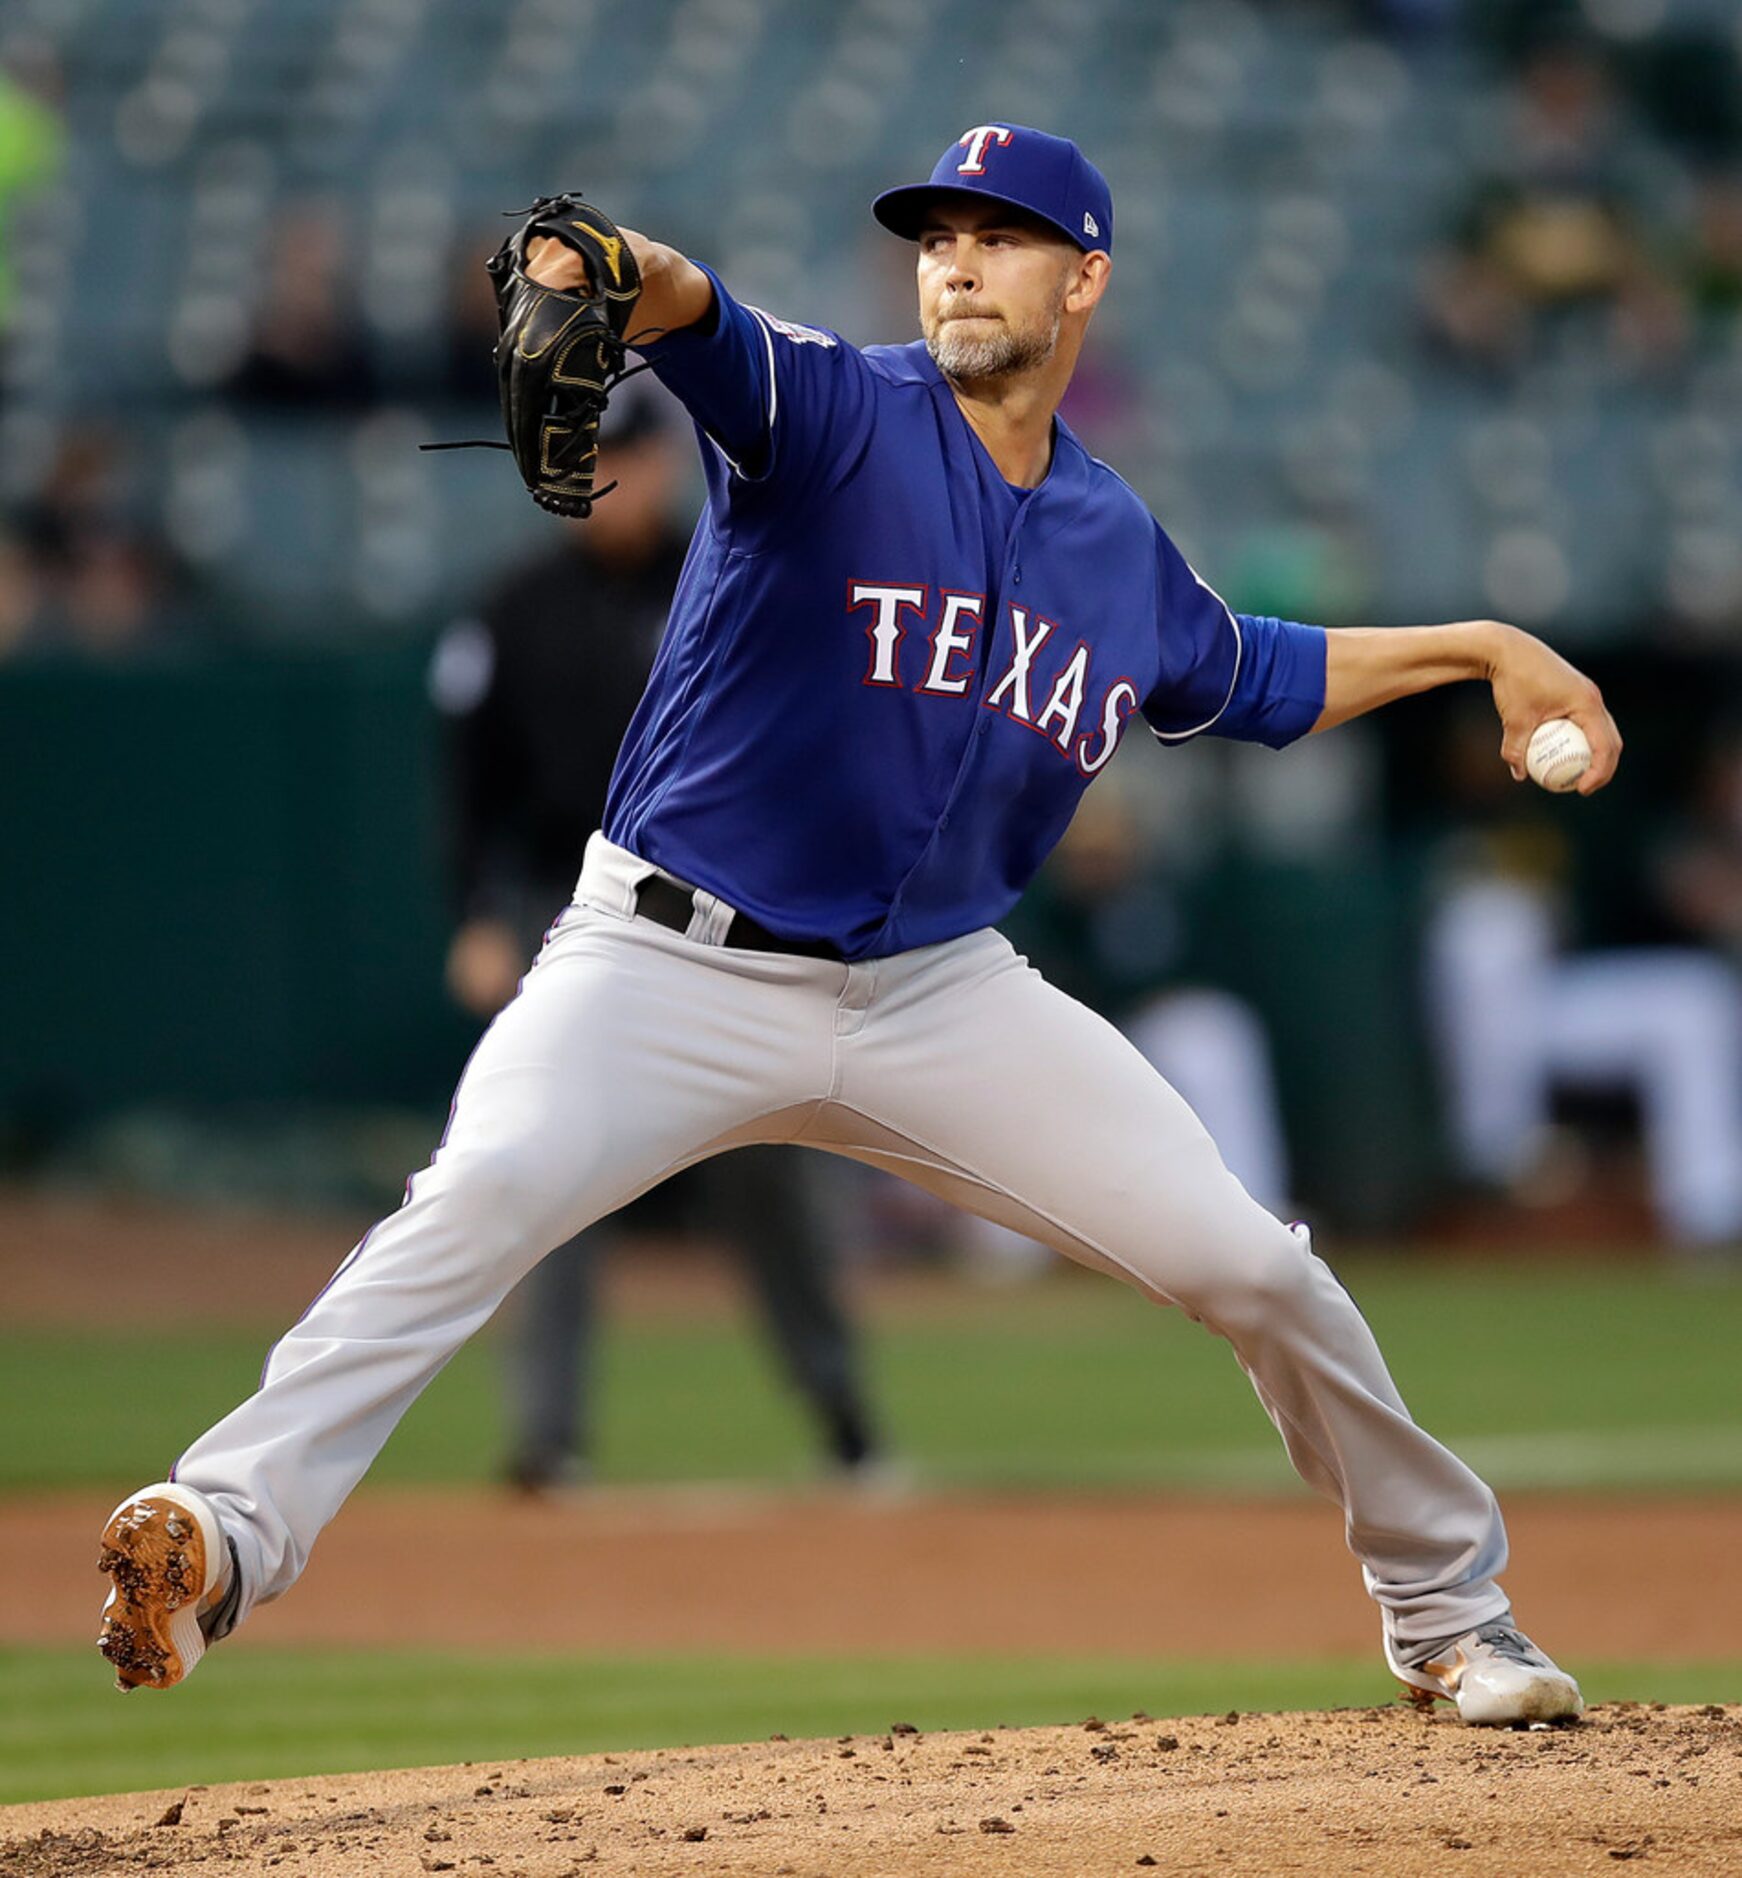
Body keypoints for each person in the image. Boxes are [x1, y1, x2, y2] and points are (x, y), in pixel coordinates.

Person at [98, 124, 1621, 1725]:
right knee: (473, 1199)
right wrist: (614, 269)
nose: (956, 258)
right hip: (665, 962)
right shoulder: (833, 413)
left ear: (1082, 275)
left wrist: (1480, 642)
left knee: (1253, 1267)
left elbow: (1254, 673)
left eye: (1003, 233)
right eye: (935, 233)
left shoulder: (1112, 544)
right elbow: (699, 318)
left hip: (936, 994)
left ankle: (1452, 1613)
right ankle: (217, 1536)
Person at [430, 387, 884, 1488]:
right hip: (566, 908)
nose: (608, 480)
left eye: (627, 456)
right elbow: (464, 790)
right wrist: (473, 919)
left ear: (670, 467)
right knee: (551, 1164)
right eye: (589, 458)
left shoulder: (729, 576)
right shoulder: (513, 608)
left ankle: (841, 1415)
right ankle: (547, 1438)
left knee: (765, 1175)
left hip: (727, 909)